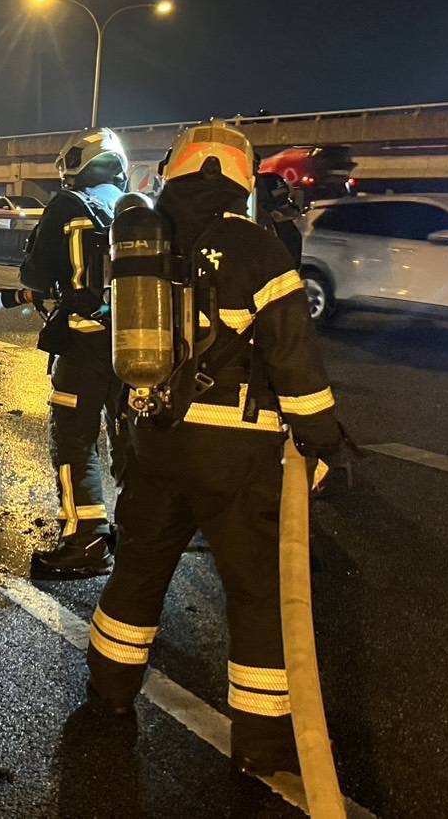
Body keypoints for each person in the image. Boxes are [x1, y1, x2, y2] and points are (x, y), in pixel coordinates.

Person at [85, 120, 344, 777]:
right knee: (255, 593)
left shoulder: (142, 244)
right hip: (238, 451)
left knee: (139, 569)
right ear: (239, 177)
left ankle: (108, 695)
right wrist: (321, 441)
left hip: (156, 441)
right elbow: (293, 359)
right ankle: (258, 743)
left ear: (173, 172)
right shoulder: (256, 247)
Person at [17, 128, 133, 578]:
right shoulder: (139, 209)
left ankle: (85, 540)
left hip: (84, 346)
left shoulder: (68, 205)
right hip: (136, 347)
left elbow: (37, 277)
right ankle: (136, 531)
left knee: (75, 439)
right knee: (130, 439)